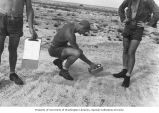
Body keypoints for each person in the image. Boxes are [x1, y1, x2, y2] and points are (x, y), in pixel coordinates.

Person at [113, 0, 159, 88]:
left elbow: (157, 12)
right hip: (127, 27)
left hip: (138, 29)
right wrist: (123, 19)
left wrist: (148, 24)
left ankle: (128, 76)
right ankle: (124, 70)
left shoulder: (148, 1)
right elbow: (121, 8)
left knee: (131, 52)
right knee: (125, 50)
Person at [0, 0, 38, 85]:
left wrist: (31, 28)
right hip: (1, 17)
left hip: (17, 21)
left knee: (13, 49)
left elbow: (29, 9)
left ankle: (12, 73)